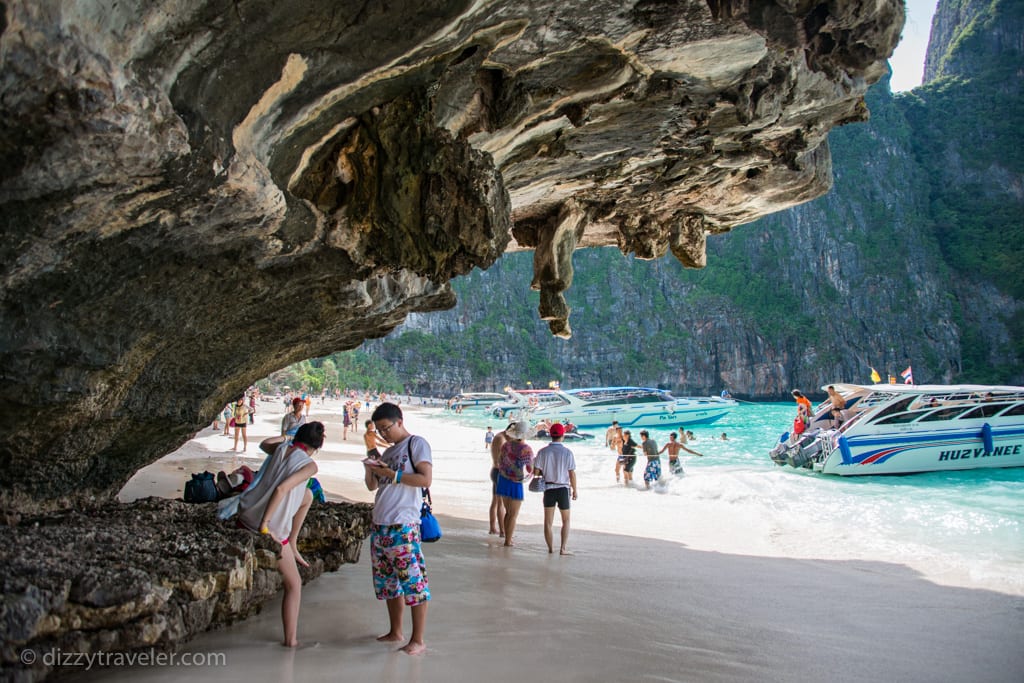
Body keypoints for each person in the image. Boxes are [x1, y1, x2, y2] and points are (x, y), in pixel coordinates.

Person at [236, 421, 324, 647]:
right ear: (318, 445)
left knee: (307, 496)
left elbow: (265, 444)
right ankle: (291, 640)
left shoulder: (282, 449)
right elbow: (281, 489)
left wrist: (286, 439)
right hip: (265, 524)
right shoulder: (310, 465)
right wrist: (265, 525)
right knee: (294, 585)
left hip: (245, 512)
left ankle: (292, 543)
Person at [363, 402, 433, 656]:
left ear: (399, 422)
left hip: (404, 525)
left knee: (413, 584)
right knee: (388, 583)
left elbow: (425, 479)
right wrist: (371, 469)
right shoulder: (389, 452)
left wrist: (393, 475)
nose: (383, 434)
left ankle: (418, 639)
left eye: (386, 428)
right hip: (380, 524)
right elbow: (373, 487)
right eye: (379, 430)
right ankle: (396, 631)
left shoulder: (417, 444)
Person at [532, 423, 577, 555]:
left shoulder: (542, 452)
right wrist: (575, 490)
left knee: (548, 522)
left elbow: (536, 471)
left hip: (549, 488)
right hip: (563, 488)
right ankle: (562, 548)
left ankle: (550, 549)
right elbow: (572, 473)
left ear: (550, 435)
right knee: (566, 520)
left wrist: (545, 472)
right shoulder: (567, 452)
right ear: (563, 436)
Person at [496, 421, 534, 547]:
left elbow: (500, 461)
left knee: (508, 512)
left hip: (502, 479)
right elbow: (530, 468)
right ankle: (508, 541)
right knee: (513, 514)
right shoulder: (526, 449)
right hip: (515, 483)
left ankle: (508, 538)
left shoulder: (506, 445)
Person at [488, 424, 512, 536]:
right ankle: (502, 531)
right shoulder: (502, 439)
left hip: (495, 471)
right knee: (500, 503)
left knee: (496, 501)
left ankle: (493, 527)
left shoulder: (499, 437)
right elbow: (503, 459)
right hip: (499, 472)